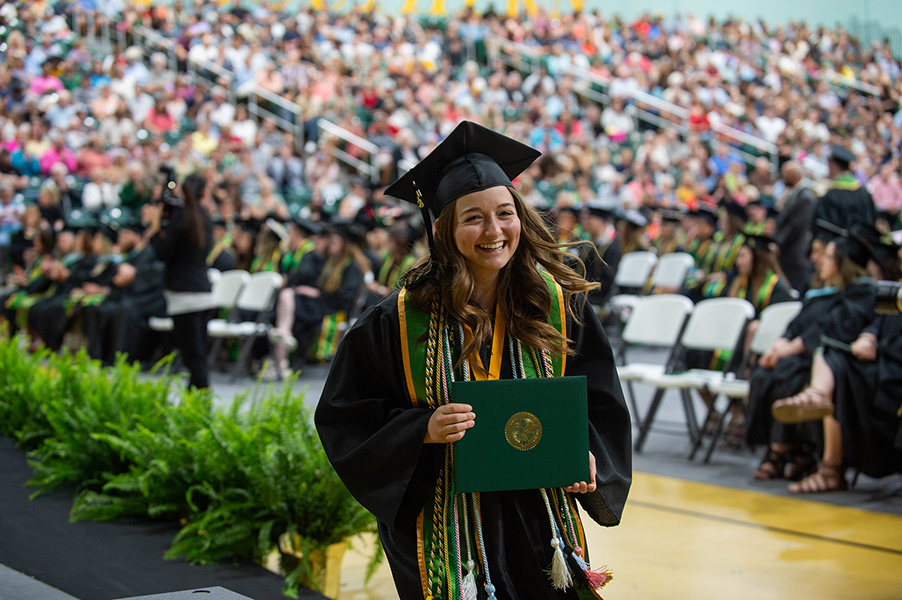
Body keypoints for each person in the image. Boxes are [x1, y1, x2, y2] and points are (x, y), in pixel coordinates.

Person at [315, 122, 631, 600]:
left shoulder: (558, 305)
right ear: (442, 229)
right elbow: (344, 418)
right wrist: (419, 428)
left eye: (505, 213)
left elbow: (600, 402)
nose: (494, 231)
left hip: (536, 515)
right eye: (473, 218)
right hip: (445, 516)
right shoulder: (397, 321)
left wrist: (585, 455)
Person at [146, 172, 214, 389]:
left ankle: (200, 402)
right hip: (203, 293)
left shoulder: (182, 218)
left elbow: (162, 253)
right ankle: (199, 400)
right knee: (198, 354)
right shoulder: (205, 217)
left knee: (192, 356)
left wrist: (156, 227)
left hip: (183, 296)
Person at [773, 160, 816, 294]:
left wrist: (778, 243)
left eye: (786, 174)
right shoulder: (794, 194)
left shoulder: (806, 197)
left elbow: (795, 226)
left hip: (796, 253)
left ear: (795, 176)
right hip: (788, 252)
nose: (783, 177)